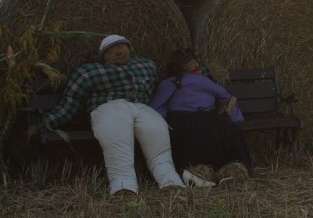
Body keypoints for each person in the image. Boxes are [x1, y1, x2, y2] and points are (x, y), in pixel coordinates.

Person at [40, 34, 184, 195]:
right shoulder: (89, 72)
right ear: (103, 56)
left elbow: (167, 83)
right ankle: (123, 185)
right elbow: (71, 103)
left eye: (122, 47)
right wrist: (47, 122)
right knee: (117, 140)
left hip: (141, 108)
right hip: (109, 108)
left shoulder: (147, 66)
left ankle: (170, 181)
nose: (118, 52)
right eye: (111, 50)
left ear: (130, 48)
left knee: (156, 134)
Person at [150, 48, 252, 186]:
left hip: (191, 119)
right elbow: (226, 96)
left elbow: (157, 106)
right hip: (192, 119)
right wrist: (234, 117)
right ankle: (211, 170)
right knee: (218, 132)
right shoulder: (173, 83)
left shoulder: (189, 81)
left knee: (221, 132)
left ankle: (225, 170)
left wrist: (164, 120)